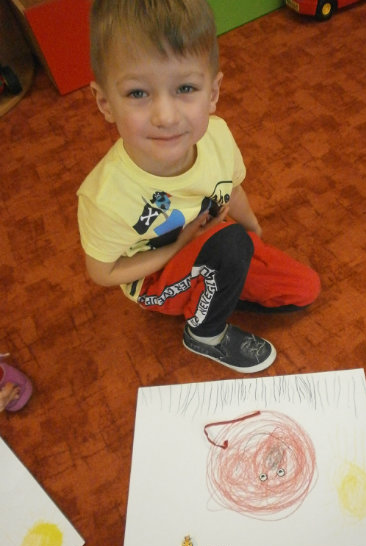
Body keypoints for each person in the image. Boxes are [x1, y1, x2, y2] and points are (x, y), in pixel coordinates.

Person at [77, 0, 320, 374]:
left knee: (303, 288)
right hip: (156, 281)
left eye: (186, 88)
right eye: (138, 93)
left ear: (213, 93)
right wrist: (181, 246)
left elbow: (232, 190)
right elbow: (103, 273)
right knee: (231, 244)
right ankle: (204, 334)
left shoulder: (217, 136)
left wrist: (253, 232)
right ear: (105, 103)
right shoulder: (105, 197)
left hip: (214, 243)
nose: (165, 116)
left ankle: (217, 281)